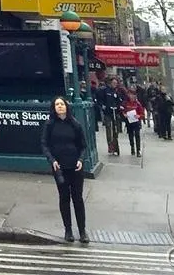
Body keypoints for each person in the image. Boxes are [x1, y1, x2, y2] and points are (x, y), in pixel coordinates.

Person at [41, 96, 90, 244]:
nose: (60, 106)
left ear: (66, 107)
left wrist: (80, 159)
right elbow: (44, 144)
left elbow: (83, 145)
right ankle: (68, 230)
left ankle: (82, 231)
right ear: (54, 108)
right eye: (57, 104)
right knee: (64, 198)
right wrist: (52, 160)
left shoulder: (75, 124)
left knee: (78, 198)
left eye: (62, 104)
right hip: (59, 167)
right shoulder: (50, 125)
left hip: (75, 166)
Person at [94, 76, 123, 156]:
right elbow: (99, 100)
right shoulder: (104, 91)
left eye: (116, 83)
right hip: (107, 113)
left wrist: (119, 106)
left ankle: (115, 144)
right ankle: (110, 145)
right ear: (110, 83)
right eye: (114, 83)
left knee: (115, 129)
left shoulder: (116, 92)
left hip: (115, 112)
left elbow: (119, 100)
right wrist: (103, 106)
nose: (115, 84)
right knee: (108, 128)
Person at [121, 87, 145, 157]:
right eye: (130, 94)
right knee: (130, 135)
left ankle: (138, 150)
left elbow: (142, 114)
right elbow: (122, 110)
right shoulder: (125, 103)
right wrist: (124, 114)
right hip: (129, 122)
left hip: (136, 122)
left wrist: (139, 116)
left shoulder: (138, 103)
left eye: (133, 94)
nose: (131, 96)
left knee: (137, 135)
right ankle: (132, 147)